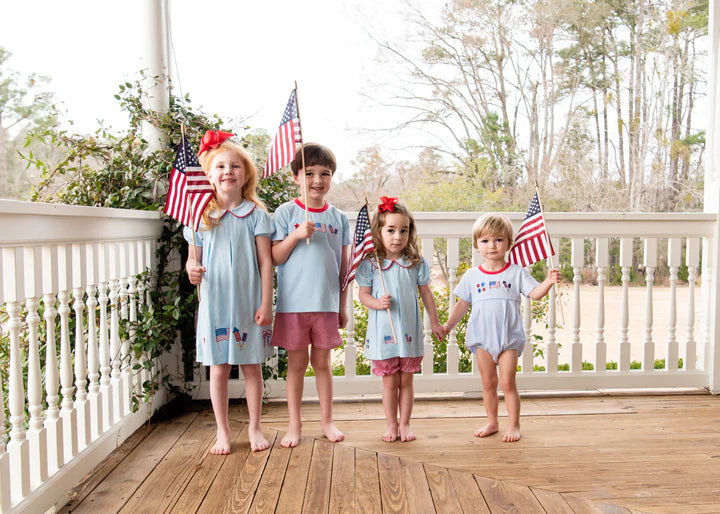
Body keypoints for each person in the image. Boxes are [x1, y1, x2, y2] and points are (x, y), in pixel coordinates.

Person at [184, 130, 274, 454]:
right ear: (209, 174)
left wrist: (267, 302)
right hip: (215, 302)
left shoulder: (256, 215)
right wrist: (191, 270)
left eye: (235, 166)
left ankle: (254, 427)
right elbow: (193, 259)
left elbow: (266, 262)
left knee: (251, 366)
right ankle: (222, 430)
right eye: (220, 166)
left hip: (249, 302)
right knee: (218, 368)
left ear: (245, 173)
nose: (228, 172)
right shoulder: (201, 217)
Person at [443, 213, 560, 442]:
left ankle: (514, 425)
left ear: (508, 242)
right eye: (485, 241)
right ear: (476, 245)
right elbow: (462, 304)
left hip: (508, 339)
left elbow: (534, 294)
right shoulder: (473, 275)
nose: (492, 246)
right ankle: (492, 422)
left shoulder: (516, 272)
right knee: (488, 383)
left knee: (507, 382)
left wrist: (548, 281)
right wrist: (448, 326)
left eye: (498, 240)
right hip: (482, 339)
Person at [271, 143, 350, 448]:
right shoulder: (286, 213)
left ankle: (327, 421)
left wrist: (342, 305)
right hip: (293, 305)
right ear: (295, 177)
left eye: (325, 174)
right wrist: (294, 235)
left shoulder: (338, 218)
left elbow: (344, 268)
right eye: (310, 173)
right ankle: (294, 425)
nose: (317, 180)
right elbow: (275, 257)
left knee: (323, 365)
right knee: (295, 366)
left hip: (326, 305)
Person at [357, 197, 444, 442]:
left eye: (403, 230)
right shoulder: (371, 264)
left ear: (410, 232)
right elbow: (363, 295)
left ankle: (405, 423)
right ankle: (391, 424)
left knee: (406, 380)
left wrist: (435, 322)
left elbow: (426, 294)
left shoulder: (415, 263)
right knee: (389, 382)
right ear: (379, 232)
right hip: (383, 333)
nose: (397, 237)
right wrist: (376, 303)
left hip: (408, 332)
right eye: (391, 230)